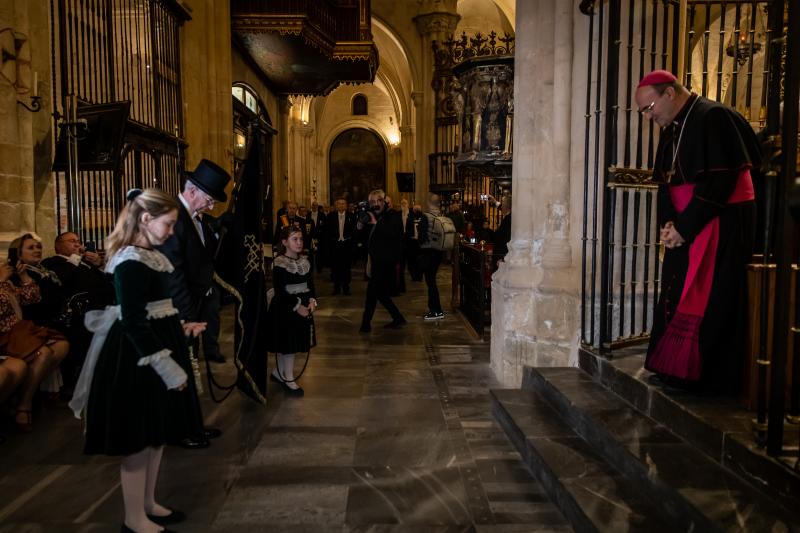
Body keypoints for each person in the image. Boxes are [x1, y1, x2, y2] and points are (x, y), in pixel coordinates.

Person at [69, 188, 206, 533]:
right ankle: (133, 518)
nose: (172, 231)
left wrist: (182, 325)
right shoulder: (130, 260)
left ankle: (148, 503)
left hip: (156, 345)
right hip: (138, 357)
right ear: (146, 219)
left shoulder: (150, 255)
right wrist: (167, 367)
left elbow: (155, 307)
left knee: (155, 433)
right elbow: (132, 319)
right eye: (169, 224)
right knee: (138, 439)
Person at [635, 70, 760, 394]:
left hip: (718, 222)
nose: (649, 118)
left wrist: (685, 228)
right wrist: (667, 225)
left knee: (709, 296)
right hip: (686, 224)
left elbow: (719, 182)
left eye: (649, 109)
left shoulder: (713, 117)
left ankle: (705, 377)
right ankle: (673, 368)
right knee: (677, 292)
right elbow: (667, 182)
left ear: (669, 94)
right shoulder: (672, 126)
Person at [157, 159, 229, 448]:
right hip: (176, 312)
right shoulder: (174, 219)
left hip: (194, 307)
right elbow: (173, 275)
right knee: (179, 371)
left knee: (189, 367)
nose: (211, 206)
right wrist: (187, 317)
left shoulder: (195, 219)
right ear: (192, 191)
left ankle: (192, 424)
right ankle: (179, 430)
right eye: (210, 199)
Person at [0, 254, 69, 432]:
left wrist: (23, 277)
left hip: (17, 331)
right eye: (31, 248)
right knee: (42, 354)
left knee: (61, 345)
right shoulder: (2, 280)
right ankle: (24, 404)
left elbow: (32, 298)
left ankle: (27, 394)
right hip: (5, 335)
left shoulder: (7, 281)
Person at [267, 226, 317, 396]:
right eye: (294, 239)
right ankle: (288, 378)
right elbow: (280, 292)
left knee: (294, 342)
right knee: (288, 345)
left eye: (301, 239)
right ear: (284, 242)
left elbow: (310, 286)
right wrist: (298, 307)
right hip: (286, 307)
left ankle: (277, 373)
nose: (299, 242)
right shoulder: (279, 263)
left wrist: (311, 301)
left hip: (303, 305)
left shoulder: (305, 261)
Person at [359, 189, 407, 332]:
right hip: (376, 261)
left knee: (372, 292)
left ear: (384, 201)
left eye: (378, 201)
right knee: (380, 294)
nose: (375, 205)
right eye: (372, 202)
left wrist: (375, 223)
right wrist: (360, 224)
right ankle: (398, 318)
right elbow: (367, 235)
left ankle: (365, 324)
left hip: (387, 262)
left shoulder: (394, 216)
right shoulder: (376, 215)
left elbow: (391, 234)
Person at [417, 194, 447, 320]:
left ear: (429, 202)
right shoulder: (442, 216)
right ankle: (435, 309)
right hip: (439, 252)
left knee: (431, 282)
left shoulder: (426, 216)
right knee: (432, 281)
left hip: (428, 252)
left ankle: (436, 310)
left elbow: (422, 236)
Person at [325, 198, 357, 295]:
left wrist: (354, 246)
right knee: (335, 268)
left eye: (343, 204)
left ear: (346, 206)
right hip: (335, 245)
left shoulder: (352, 216)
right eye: (339, 204)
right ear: (336, 205)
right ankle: (336, 288)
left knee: (346, 268)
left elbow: (354, 232)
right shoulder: (331, 216)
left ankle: (346, 288)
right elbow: (327, 233)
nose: (341, 205)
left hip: (347, 246)